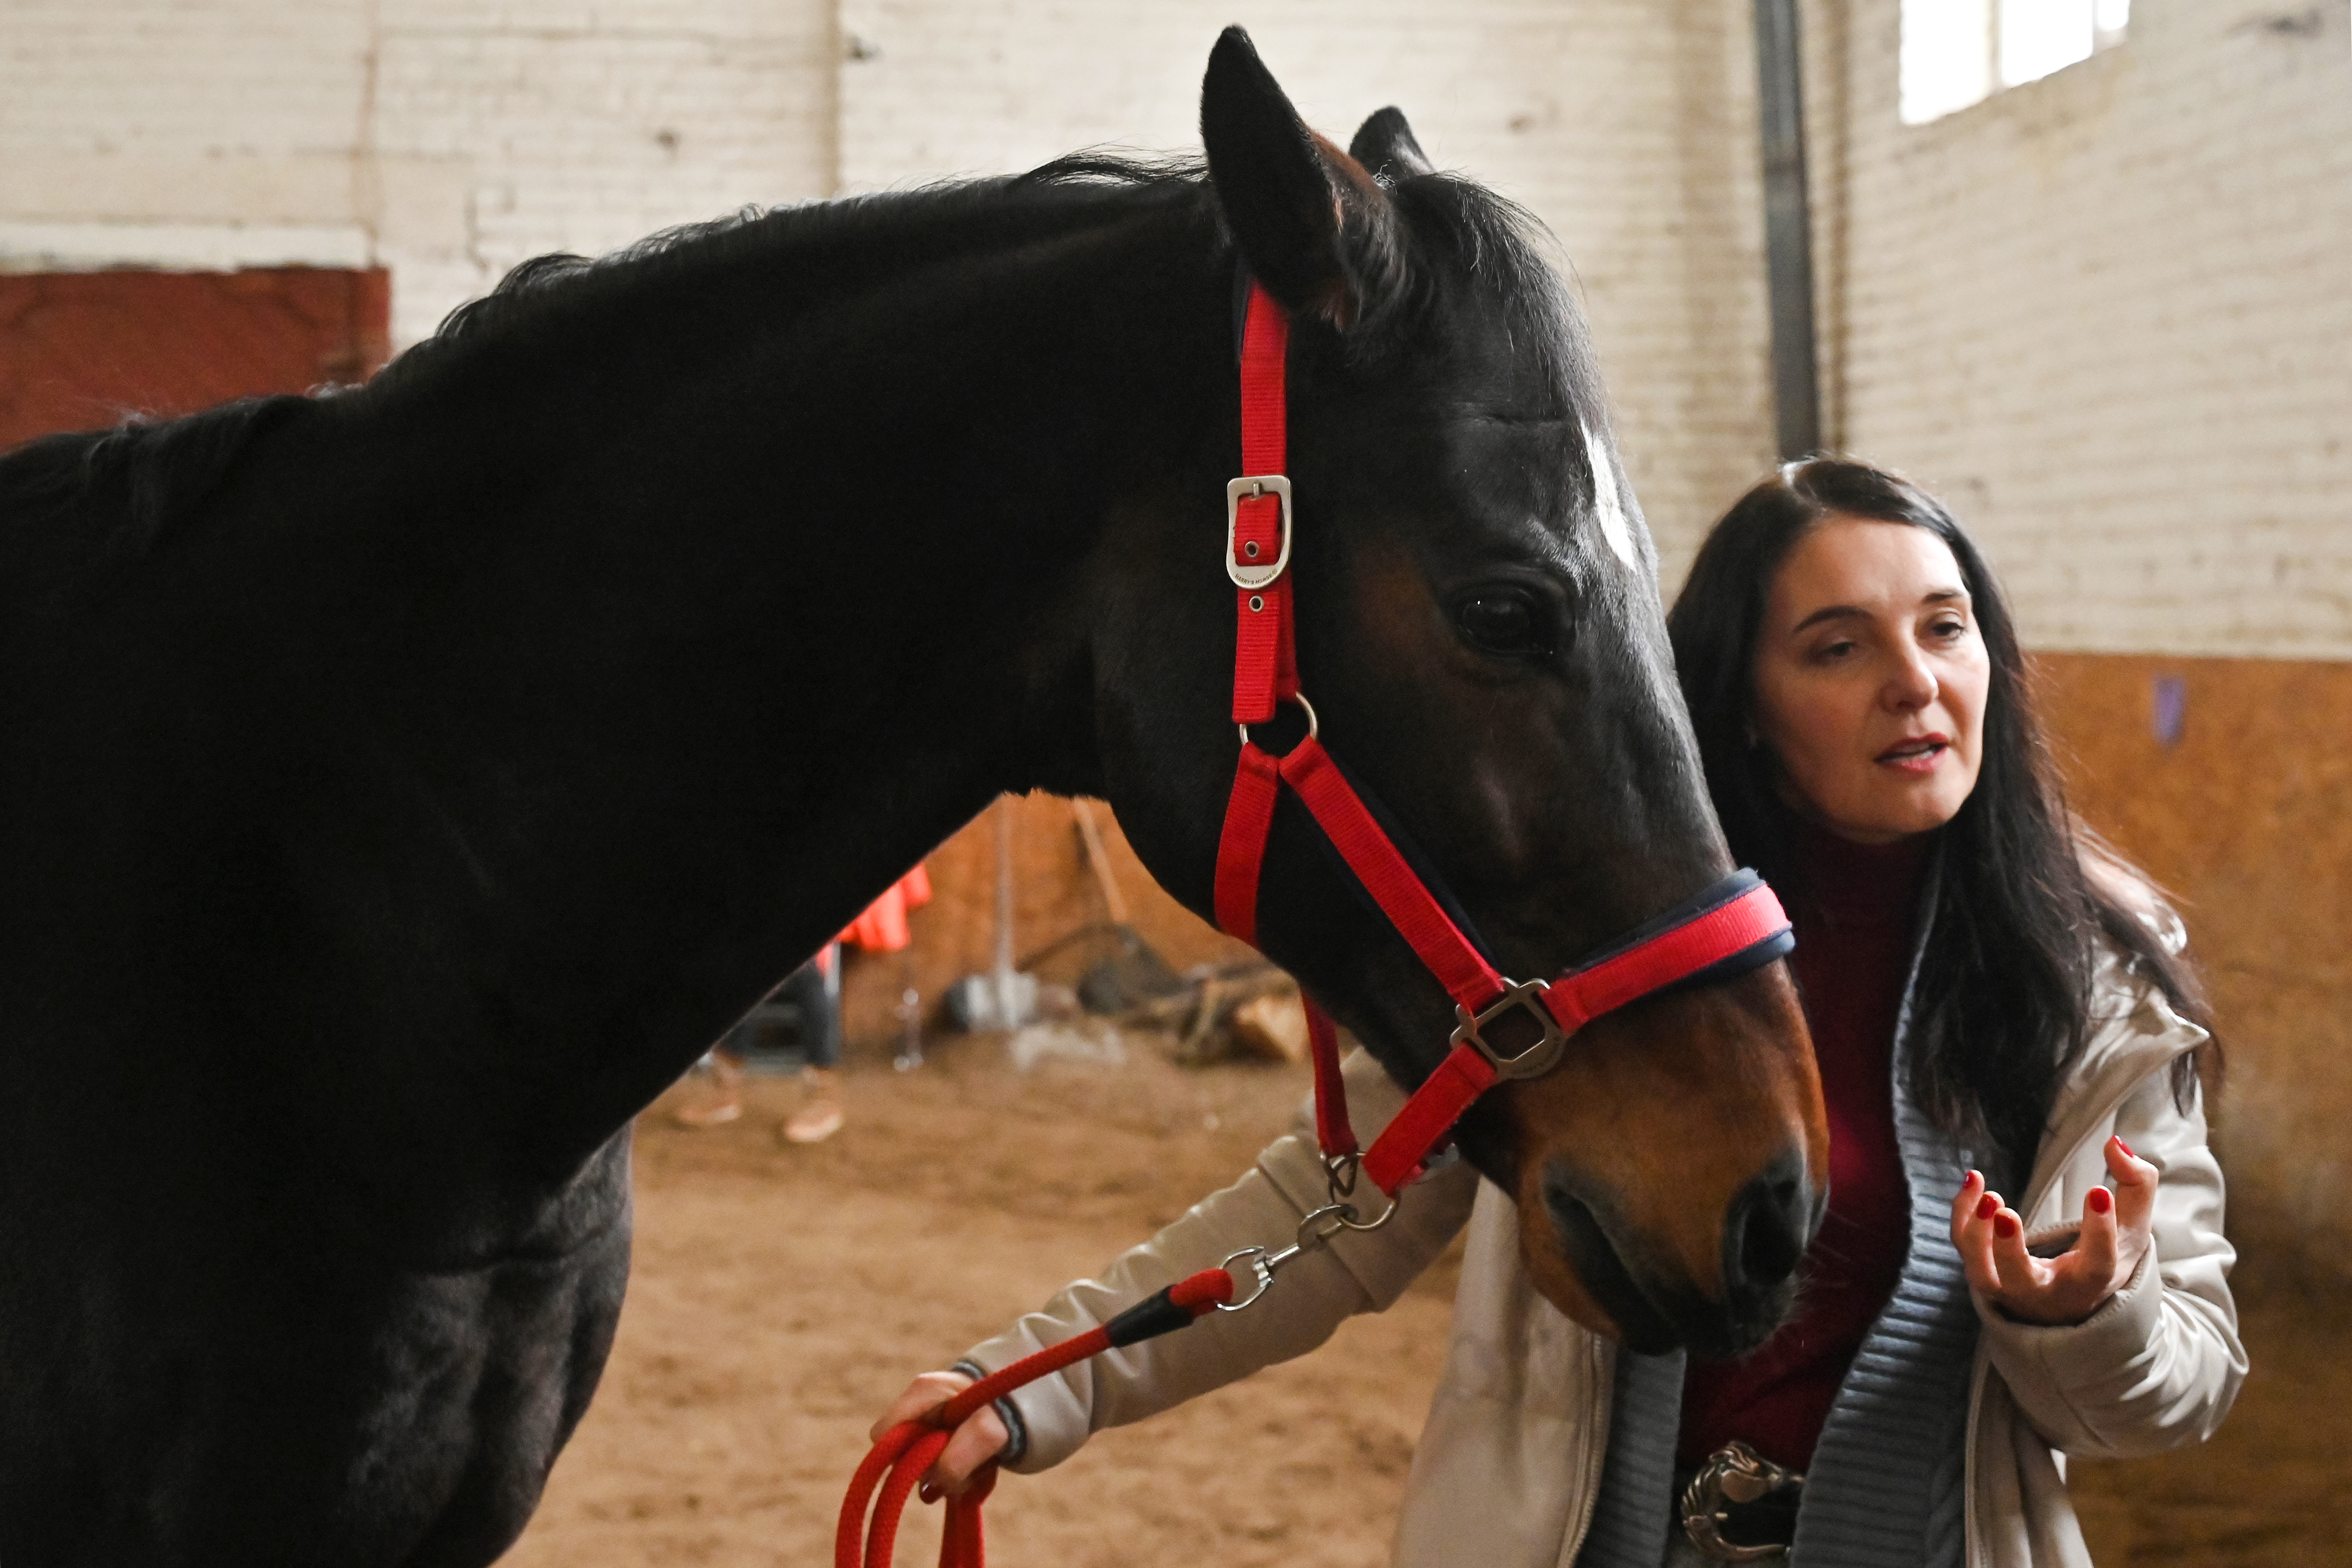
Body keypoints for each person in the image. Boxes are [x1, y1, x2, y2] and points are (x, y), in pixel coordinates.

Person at [869, 459, 2243, 1567]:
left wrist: (2082, 1311)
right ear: (1745, 708)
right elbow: (1337, 1212)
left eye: (1945, 628)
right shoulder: (1605, 955)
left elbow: (2170, 1395)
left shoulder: (2094, 987)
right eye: (1837, 648)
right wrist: (1034, 1384)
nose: (1913, 682)